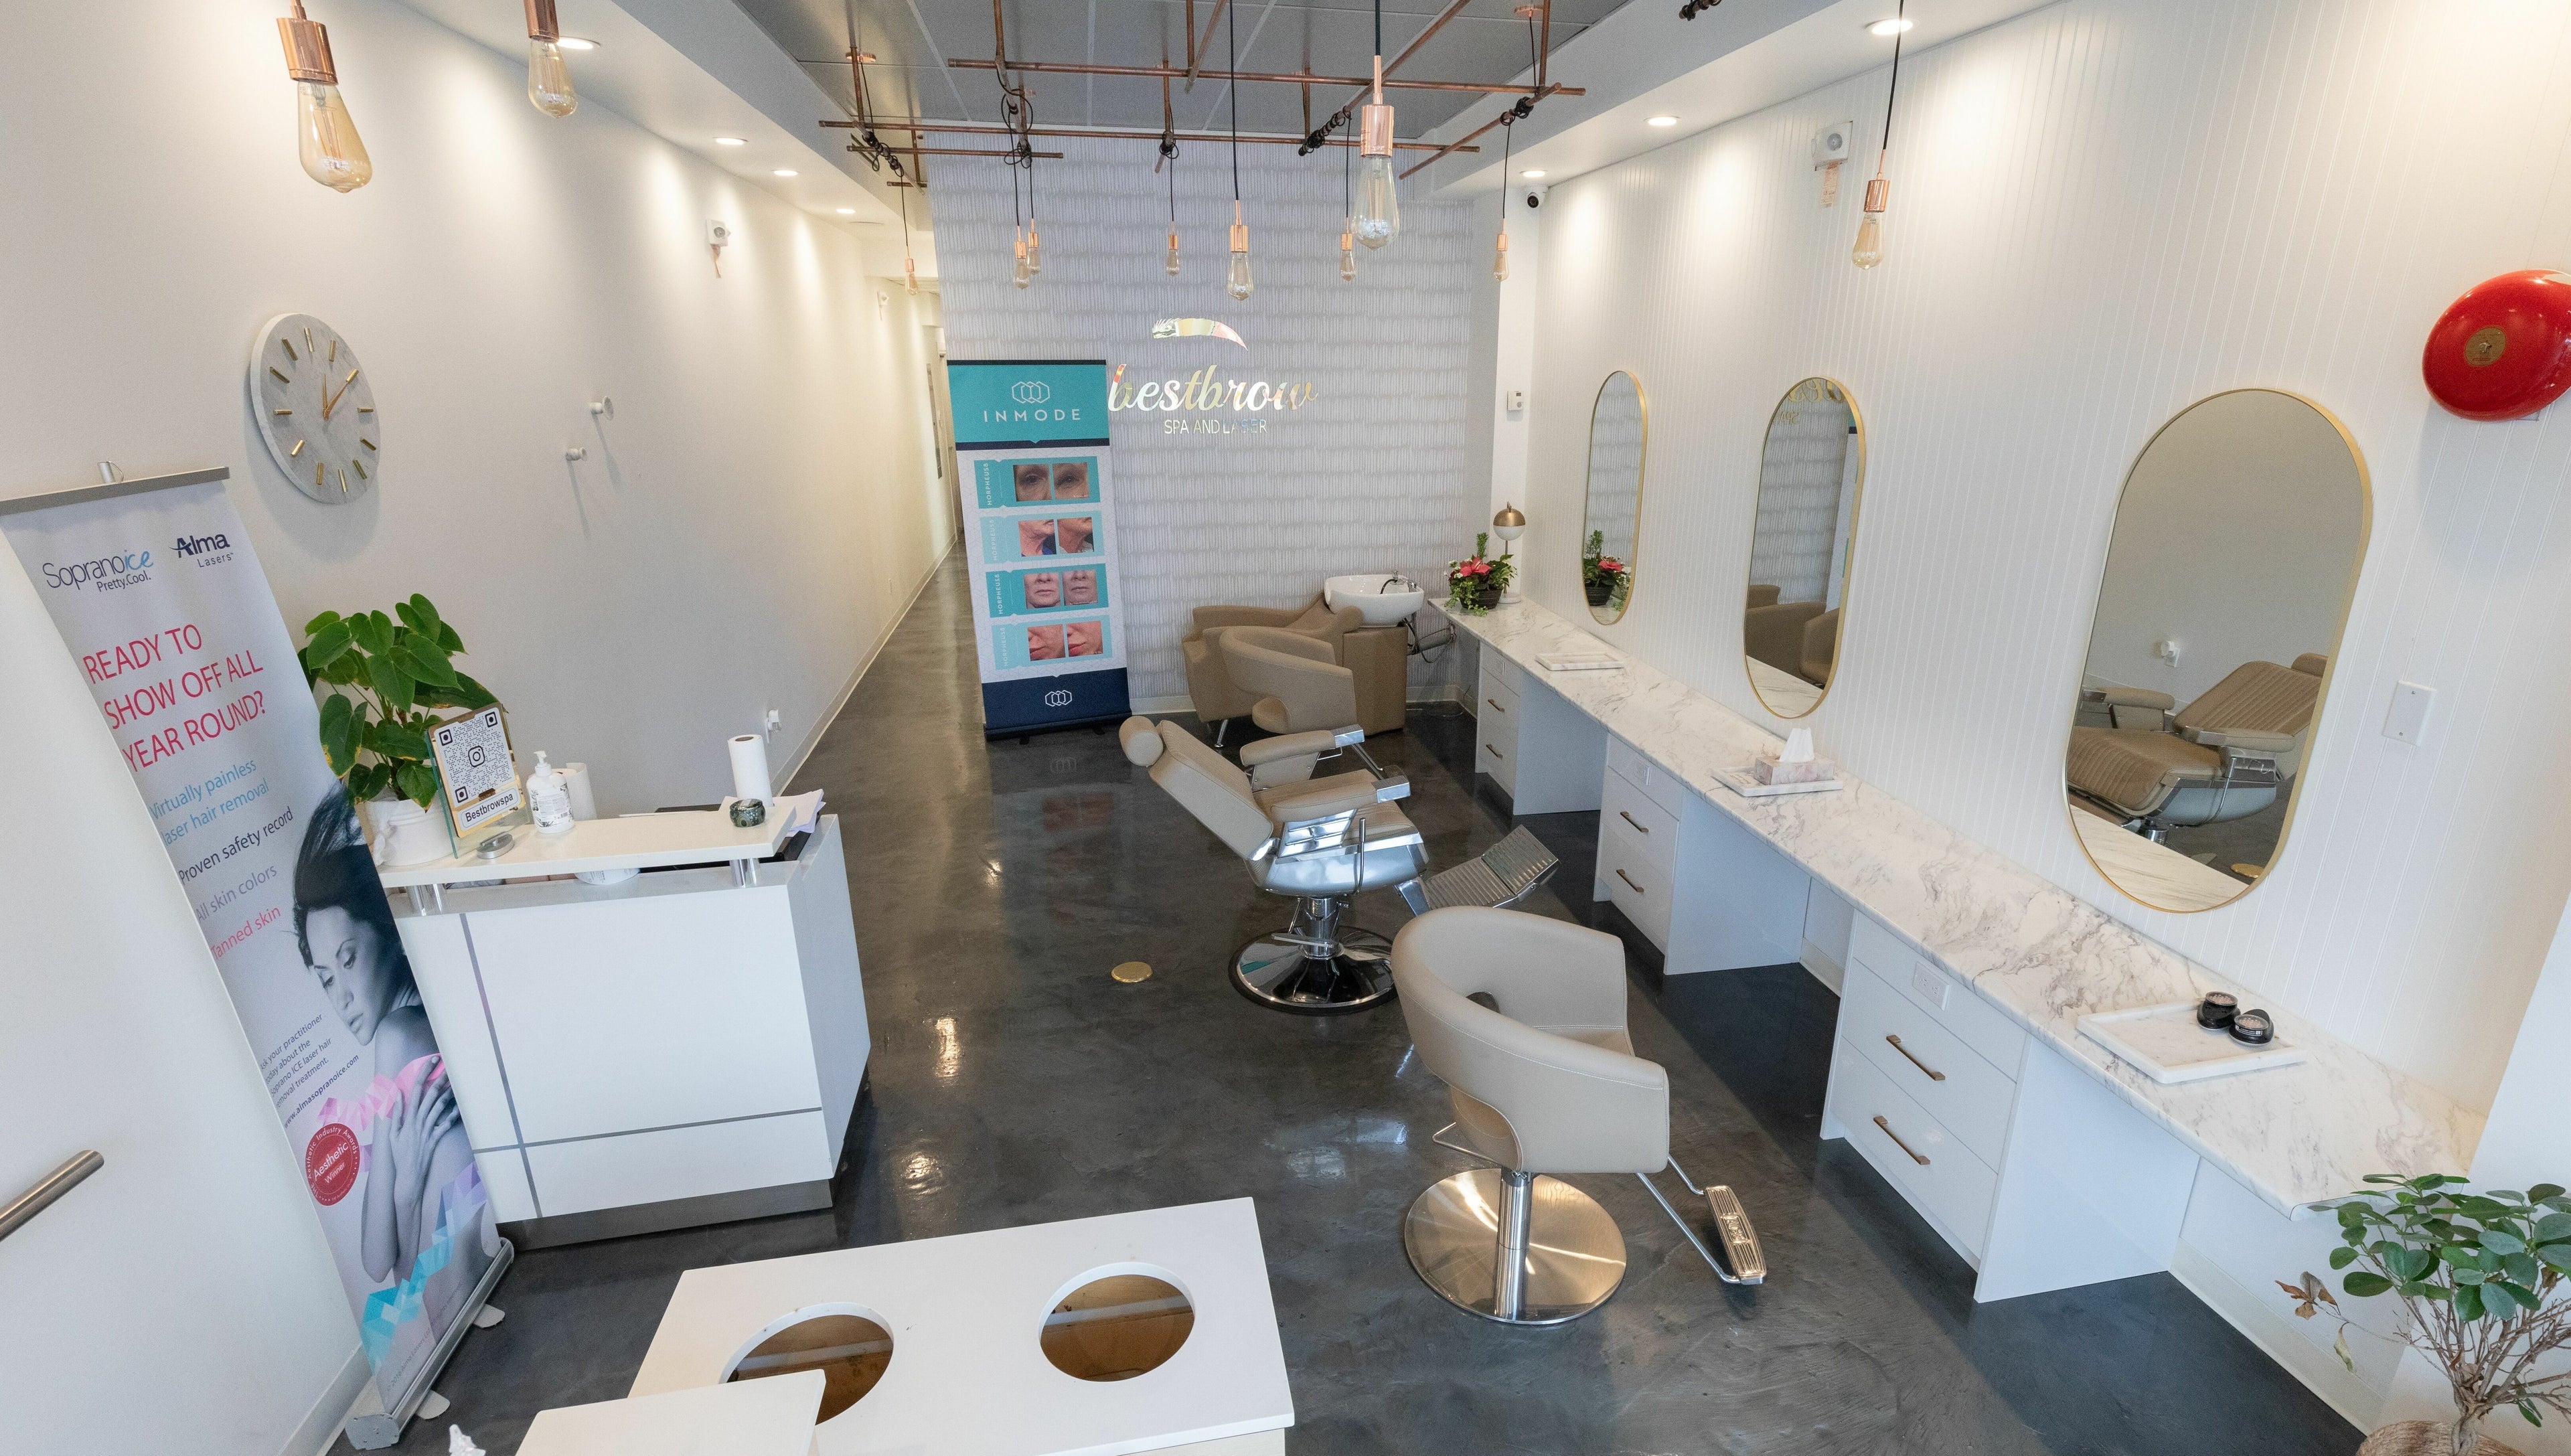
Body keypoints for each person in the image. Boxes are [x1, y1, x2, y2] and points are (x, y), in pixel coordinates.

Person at [297, 790, 493, 1343]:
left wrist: (404, 1191)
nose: (343, 998)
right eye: (326, 978)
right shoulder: (430, 1016)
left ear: (383, 932)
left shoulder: (397, 1037)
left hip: (453, 1334)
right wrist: (407, 1188)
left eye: (348, 959)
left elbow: (382, 1260)